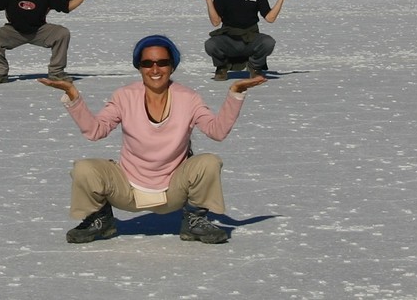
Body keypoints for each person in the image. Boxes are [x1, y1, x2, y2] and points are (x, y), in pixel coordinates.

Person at [38, 34, 267, 244]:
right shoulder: (124, 96)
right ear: (139, 66)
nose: (155, 69)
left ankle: (194, 220)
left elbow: (216, 131)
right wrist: (73, 96)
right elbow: (95, 131)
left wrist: (235, 93)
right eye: (147, 63)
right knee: (84, 169)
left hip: (173, 190)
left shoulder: (188, 98)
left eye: (162, 63)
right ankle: (101, 220)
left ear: (172, 66)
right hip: (127, 188)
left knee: (208, 162)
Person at [194, 0, 301, 81]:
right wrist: (208, 1)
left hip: (251, 38)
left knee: (268, 42)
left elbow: (270, 18)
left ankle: (255, 67)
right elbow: (216, 22)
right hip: (229, 39)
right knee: (210, 44)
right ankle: (222, 67)